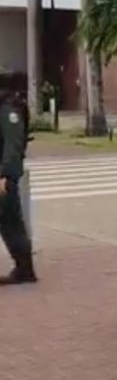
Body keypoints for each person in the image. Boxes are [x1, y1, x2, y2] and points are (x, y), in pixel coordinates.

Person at [0, 90, 35, 285]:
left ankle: (25, 269)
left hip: (4, 177)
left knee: (11, 223)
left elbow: (12, 146)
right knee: (10, 222)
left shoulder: (8, 109)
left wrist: (6, 175)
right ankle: (24, 268)